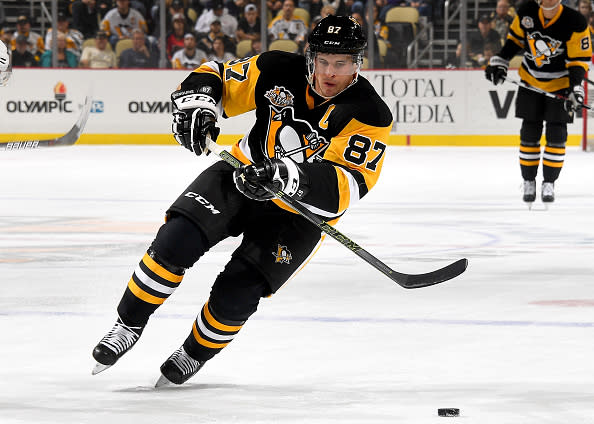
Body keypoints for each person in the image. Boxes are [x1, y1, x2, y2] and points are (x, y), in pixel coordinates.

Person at [91, 15, 392, 386]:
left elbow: (350, 183)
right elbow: (215, 74)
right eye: (324, 61)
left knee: (239, 292)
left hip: (299, 213)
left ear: (357, 63)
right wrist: (198, 105)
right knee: (175, 241)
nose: (330, 72)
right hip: (240, 173)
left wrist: (288, 177)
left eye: (341, 63)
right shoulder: (276, 67)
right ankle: (127, 325)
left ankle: (192, 354)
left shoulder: (370, 112)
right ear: (310, 56)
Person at [485, 0, 591, 205]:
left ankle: (549, 182)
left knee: (557, 135)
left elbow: (579, 59)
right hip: (530, 81)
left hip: (560, 84)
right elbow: (514, 41)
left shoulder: (575, 21)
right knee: (529, 133)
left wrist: (575, 87)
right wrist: (500, 61)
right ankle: (529, 181)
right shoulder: (527, 11)